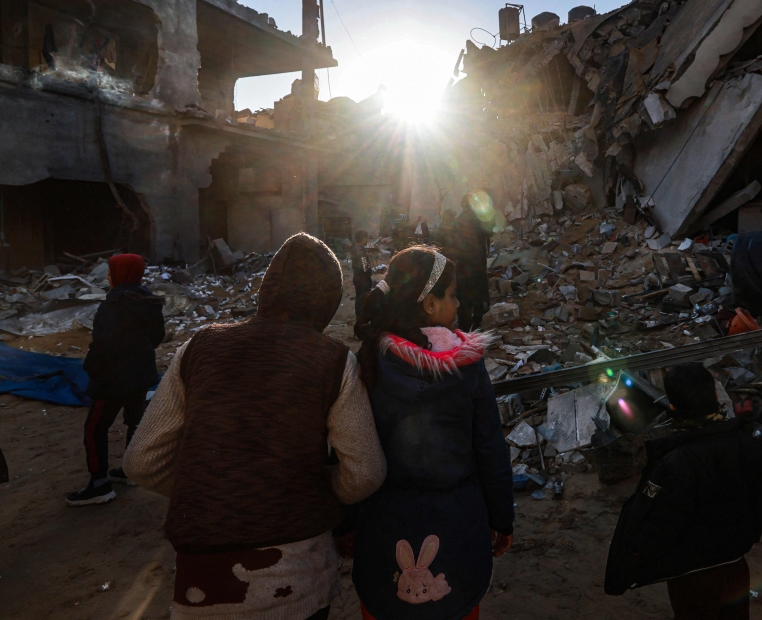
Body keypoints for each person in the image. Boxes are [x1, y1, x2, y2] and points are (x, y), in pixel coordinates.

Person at [124, 233, 387, 620]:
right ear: (328, 299)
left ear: (267, 290)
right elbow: (366, 472)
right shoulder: (331, 360)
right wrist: (314, 490)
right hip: (295, 583)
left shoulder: (198, 348)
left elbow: (141, 462)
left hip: (201, 586)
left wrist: (214, 489)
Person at [352, 246, 514, 620]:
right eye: (453, 295)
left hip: (383, 525)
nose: (458, 305)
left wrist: (346, 525)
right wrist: (501, 519)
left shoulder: (369, 360)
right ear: (429, 304)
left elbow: (351, 452)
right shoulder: (467, 367)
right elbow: (490, 447)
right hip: (459, 524)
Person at [604, 363, 762, 620]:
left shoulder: (675, 463)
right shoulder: (751, 446)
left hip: (691, 576)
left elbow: (659, 527)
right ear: (714, 397)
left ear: (673, 407)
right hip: (735, 565)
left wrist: (635, 557)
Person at [67, 253, 164, 507]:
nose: (108, 277)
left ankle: (99, 485)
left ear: (120, 276)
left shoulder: (113, 306)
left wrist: (92, 369)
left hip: (112, 380)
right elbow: (157, 337)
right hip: (141, 375)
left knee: (95, 428)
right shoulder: (149, 301)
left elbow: (102, 346)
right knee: (135, 421)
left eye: (111, 272)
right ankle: (132, 471)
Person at [451, 194, 493, 331]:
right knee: (479, 291)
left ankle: (464, 324)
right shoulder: (478, 217)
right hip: (478, 261)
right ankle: (477, 321)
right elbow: (489, 232)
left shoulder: (459, 219)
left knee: (464, 293)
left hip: (463, 262)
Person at [351, 229, 374, 321]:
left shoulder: (356, 249)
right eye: (367, 238)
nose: (367, 240)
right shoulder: (361, 253)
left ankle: (359, 318)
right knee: (363, 300)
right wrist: (370, 272)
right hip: (363, 279)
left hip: (357, 278)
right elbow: (364, 268)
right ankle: (362, 320)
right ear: (363, 239)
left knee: (359, 299)